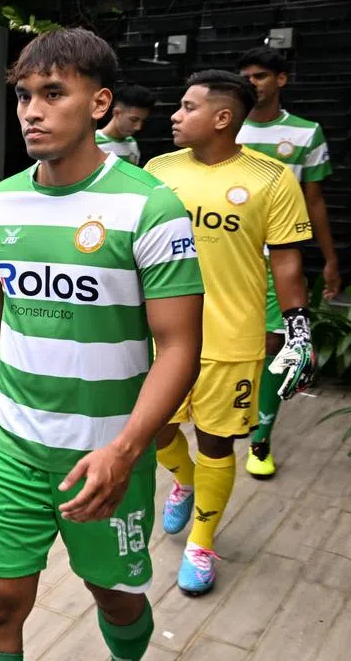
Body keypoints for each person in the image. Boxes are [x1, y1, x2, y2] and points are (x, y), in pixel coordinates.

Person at [0, 28, 204, 661]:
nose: (31, 112)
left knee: (116, 597)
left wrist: (125, 450)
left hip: (106, 452)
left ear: (99, 104)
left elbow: (180, 345)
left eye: (52, 93)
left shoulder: (150, 207)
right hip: (12, 443)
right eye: (23, 96)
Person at [145, 70, 314, 596]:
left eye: (188, 107)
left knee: (217, 441)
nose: (175, 115)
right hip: (160, 335)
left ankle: (201, 540)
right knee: (155, 431)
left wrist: (298, 329)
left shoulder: (271, 177)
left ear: (222, 118)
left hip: (231, 337)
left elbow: (286, 261)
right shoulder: (157, 170)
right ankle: (185, 481)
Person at [236, 47, 339, 478]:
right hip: (227, 259)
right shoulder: (224, 127)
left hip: (277, 261)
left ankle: (261, 439)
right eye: (247, 76)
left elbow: (315, 201)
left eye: (260, 76)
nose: (252, 83)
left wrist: (331, 259)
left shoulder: (305, 133)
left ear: (282, 79)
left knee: (273, 347)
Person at [95, 84, 155, 165]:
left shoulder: (132, 144)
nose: (138, 127)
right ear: (116, 113)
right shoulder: (93, 143)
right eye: (133, 120)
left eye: (142, 121)